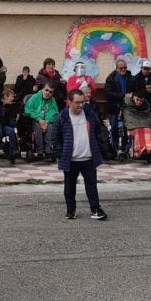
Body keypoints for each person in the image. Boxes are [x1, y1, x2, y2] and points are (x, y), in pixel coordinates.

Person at [50, 89, 108, 221]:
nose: (80, 105)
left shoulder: (89, 114)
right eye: (77, 103)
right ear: (69, 102)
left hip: (88, 158)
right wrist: (60, 153)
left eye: (82, 102)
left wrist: (102, 148)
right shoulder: (62, 117)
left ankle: (96, 209)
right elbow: (54, 138)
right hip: (70, 160)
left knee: (92, 186)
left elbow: (99, 131)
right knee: (69, 187)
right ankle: (71, 210)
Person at [24, 85, 59, 159]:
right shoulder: (35, 97)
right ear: (43, 89)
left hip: (47, 120)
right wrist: (39, 119)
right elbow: (28, 109)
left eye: (50, 92)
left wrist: (46, 121)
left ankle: (48, 148)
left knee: (51, 127)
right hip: (36, 119)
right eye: (46, 90)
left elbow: (54, 112)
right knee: (37, 126)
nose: (48, 93)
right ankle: (40, 149)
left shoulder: (52, 100)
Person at [123, 90, 151, 160]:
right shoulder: (127, 105)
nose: (139, 102)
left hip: (144, 127)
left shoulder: (146, 107)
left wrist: (144, 125)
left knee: (148, 130)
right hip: (132, 128)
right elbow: (128, 118)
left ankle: (150, 150)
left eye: (141, 101)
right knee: (140, 131)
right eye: (137, 100)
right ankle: (141, 151)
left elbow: (149, 118)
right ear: (133, 98)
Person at [0, 89, 20, 164]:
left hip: (4, 125)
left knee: (11, 131)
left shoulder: (9, 106)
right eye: (12, 96)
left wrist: (13, 123)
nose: (13, 98)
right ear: (5, 96)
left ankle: (12, 151)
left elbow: (10, 118)